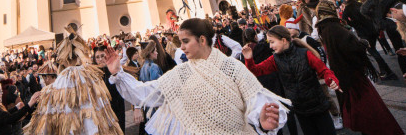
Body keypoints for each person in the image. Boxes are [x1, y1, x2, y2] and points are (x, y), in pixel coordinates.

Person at [106, 18, 290, 134]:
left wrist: (263, 120)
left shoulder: (232, 67)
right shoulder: (181, 73)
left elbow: (255, 100)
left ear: (202, 40)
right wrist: (118, 73)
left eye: (185, 41)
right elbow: (146, 93)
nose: (182, 47)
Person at [314, 1, 404, 135]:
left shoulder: (326, 29)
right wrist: (362, 44)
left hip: (345, 76)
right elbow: (351, 49)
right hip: (353, 77)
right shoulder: (333, 28)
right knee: (372, 113)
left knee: (364, 114)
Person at [242, 25, 339, 135]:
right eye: (269, 42)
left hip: (318, 106)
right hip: (300, 110)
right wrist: (249, 59)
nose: (270, 46)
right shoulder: (275, 59)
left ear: (283, 40)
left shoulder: (304, 53)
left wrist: (331, 79)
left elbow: (324, 70)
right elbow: (257, 71)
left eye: (272, 42)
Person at [340, 0, 397, 80]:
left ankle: (387, 71)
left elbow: (344, 21)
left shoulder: (348, 8)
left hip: (363, 32)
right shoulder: (359, 4)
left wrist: (353, 24)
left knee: (372, 51)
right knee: (373, 50)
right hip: (372, 29)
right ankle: (385, 70)